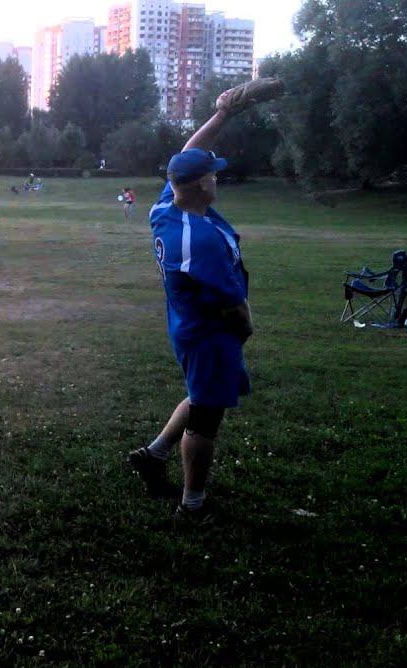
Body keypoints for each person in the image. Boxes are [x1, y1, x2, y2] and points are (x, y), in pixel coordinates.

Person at [126, 91, 258, 525]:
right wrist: (246, 329)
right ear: (202, 184)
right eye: (213, 174)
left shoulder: (167, 207)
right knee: (206, 418)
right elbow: (232, 306)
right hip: (209, 334)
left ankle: (154, 454)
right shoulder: (200, 241)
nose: (217, 178)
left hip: (188, 325)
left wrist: (222, 114)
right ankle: (192, 506)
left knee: (203, 396)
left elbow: (185, 155)